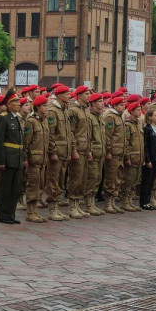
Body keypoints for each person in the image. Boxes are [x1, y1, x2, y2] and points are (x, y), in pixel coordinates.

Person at [0, 89, 23, 225]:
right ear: (8, 104)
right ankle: (3, 214)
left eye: (18, 101)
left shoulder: (16, 118)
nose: (18, 104)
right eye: (15, 102)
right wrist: (0, 161)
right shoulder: (3, 118)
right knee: (5, 188)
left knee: (15, 188)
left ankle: (11, 214)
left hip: (17, 158)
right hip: (7, 158)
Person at [45, 85, 74, 220]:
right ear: (59, 95)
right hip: (56, 153)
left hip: (64, 152)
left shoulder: (65, 110)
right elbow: (50, 133)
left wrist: (71, 150)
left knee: (61, 181)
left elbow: (69, 132)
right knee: (53, 181)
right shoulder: (53, 111)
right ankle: (52, 209)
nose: (69, 96)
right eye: (66, 94)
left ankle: (56, 207)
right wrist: (53, 151)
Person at [22, 94, 49, 223]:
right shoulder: (31, 121)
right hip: (33, 159)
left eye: (47, 105)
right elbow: (26, 142)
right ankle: (30, 212)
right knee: (33, 185)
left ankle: (35, 211)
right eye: (44, 105)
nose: (46, 108)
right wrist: (25, 158)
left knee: (40, 185)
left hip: (42, 160)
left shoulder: (44, 121)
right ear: (37, 107)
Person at [67, 86, 92, 217]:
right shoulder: (73, 111)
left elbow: (87, 133)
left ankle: (77, 204)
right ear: (79, 95)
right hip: (77, 149)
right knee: (75, 178)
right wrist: (74, 150)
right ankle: (72, 206)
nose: (89, 96)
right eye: (86, 94)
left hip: (85, 148)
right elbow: (71, 132)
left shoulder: (85, 110)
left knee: (82, 179)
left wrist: (89, 150)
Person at [103, 96, 127, 214]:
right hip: (113, 153)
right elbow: (108, 136)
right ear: (115, 106)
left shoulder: (120, 117)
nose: (124, 106)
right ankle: (108, 203)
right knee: (111, 178)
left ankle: (112, 201)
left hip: (120, 152)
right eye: (121, 105)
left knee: (118, 178)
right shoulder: (110, 117)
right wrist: (108, 151)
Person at [85, 93, 107, 215]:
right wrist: (89, 151)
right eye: (99, 102)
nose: (102, 103)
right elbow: (87, 136)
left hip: (100, 153)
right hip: (93, 153)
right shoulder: (89, 117)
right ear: (92, 104)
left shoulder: (100, 117)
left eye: (102, 101)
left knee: (98, 178)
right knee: (92, 178)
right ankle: (89, 204)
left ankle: (92, 202)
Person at [121, 102, 144, 212]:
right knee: (128, 180)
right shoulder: (128, 125)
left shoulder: (138, 123)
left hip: (139, 157)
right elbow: (126, 142)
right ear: (131, 111)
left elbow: (141, 142)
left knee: (135, 180)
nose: (139, 112)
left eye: (140, 109)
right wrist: (127, 157)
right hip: (132, 157)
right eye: (137, 110)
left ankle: (130, 200)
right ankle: (125, 201)